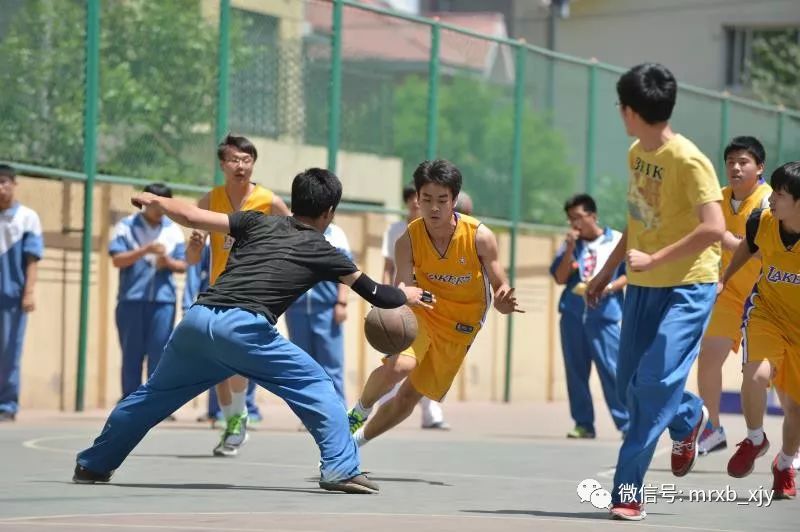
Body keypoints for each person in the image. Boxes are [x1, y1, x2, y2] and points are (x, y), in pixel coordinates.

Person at [72, 167, 432, 494]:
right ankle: (340, 469)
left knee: (152, 396)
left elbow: (192, 215)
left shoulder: (257, 222)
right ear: (329, 213)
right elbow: (376, 293)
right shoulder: (324, 249)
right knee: (315, 384)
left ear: (293, 202)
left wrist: (156, 200)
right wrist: (407, 294)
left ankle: (93, 464)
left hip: (197, 321)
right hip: (243, 327)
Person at [585, 63, 725, 521]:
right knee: (629, 387)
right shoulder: (636, 154)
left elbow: (713, 227)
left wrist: (655, 259)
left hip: (688, 286)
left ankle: (628, 491)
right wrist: (606, 273)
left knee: (652, 383)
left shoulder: (689, 160)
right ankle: (689, 419)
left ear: (629, 110)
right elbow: (638, 220)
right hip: (642, 286)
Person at [347, 160, 523, 447]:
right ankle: (357, 412)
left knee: (408, 398)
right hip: (424, 313)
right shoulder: (408, 240)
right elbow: (403, 288)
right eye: (426, 199)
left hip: (460, 326)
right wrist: (399, 298)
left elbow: (500, 285)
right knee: (400, 365)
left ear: (455, 200)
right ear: (417, 199)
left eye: (442, 200)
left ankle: (353, 445)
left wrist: (504, 301)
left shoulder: (480, 238)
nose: (434, 208)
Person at [185, 134, 289, 456]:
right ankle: (235, 421)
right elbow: (189, 259)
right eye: (234, 160)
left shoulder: (269, 201)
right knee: (218, 363)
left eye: (246, 160)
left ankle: (238, 415)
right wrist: (195, 246)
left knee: (237, 357)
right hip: (218, 291)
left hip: (252, 293)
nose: (240, 166)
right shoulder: (208, 201)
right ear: (222, 165)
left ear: (253, 164)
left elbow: (294, 237)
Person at [722, 161, 800, 499]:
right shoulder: (762, 222)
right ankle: (755, 438)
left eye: (780, 195)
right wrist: (723, 280)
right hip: (766, 313)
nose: (771, 198)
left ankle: (785, 463)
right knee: (755, 377)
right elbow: (748, 246)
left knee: (795, 409)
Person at [696, 136, 771, 455]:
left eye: (743, 162)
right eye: (731, 162)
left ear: (759, 167)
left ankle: (779, 444)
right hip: (727, 293)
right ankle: (712, 428)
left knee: (765, 374)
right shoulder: (718, 199)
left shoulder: (771, 202)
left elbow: (770, 252)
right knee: (709, 356)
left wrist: (731, 242)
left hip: (768, 298)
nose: (736, 168)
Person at [378, 184, 460, 430]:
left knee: (428, 358)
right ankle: (381, 403)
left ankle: (431, 412)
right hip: (404, 300)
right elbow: (388, 266)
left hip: (431, 301)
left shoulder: (440, 231)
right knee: (398, 355)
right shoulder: (396, 231)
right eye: (414, 200)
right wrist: (385, 297)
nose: (417, 204)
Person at [550, 193, 629, 439]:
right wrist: (571, 248)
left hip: (605, 315)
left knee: (613, 371)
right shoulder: (570, 246)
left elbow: (631, 274)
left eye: (579, 217)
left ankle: (628, 424)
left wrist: (609, 287)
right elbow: (560, 277)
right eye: (570, 219)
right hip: (573, 316)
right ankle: (583, 423)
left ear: (593, 216)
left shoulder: (616, 239)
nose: (575, 223)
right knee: (575, 372)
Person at [109, 183, 187, 400]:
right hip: (131, 300)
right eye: (154, 203)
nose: (158, 209)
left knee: (160, 353)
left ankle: (154, 401)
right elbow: (117, 259)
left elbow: (184, 265)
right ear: (144, 203)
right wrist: (146, 249)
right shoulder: (125, 226)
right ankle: (130, 400)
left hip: (164, 302)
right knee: (131, 353)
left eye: (163, 204)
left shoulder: (174, 230)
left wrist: (167, 262)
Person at [183, 242, 261, 427]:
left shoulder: (257, 232)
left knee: (243, 360)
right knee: (217, 362)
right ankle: (221, 413)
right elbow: (192, 267)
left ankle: (245, 409)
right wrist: (187, 306)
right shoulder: (211, 237)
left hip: (245, 304)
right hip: (214, 304)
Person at [285, 223, 352, 403]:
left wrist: (342, 302)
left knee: (331, 365)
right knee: (302, 366)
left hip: (327, 309)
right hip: (296, 310)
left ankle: (339, 413)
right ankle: (311, 413)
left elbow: (347, 271)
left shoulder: (336, 234)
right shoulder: (292, 231)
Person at [0, 165, 43, 422]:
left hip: (11, 296)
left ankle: (7, 404)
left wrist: (28, 293)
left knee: (8, 352)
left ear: (14, 184)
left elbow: (32, 259)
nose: (0, 187)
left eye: (4, 182)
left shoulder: (27, 217)